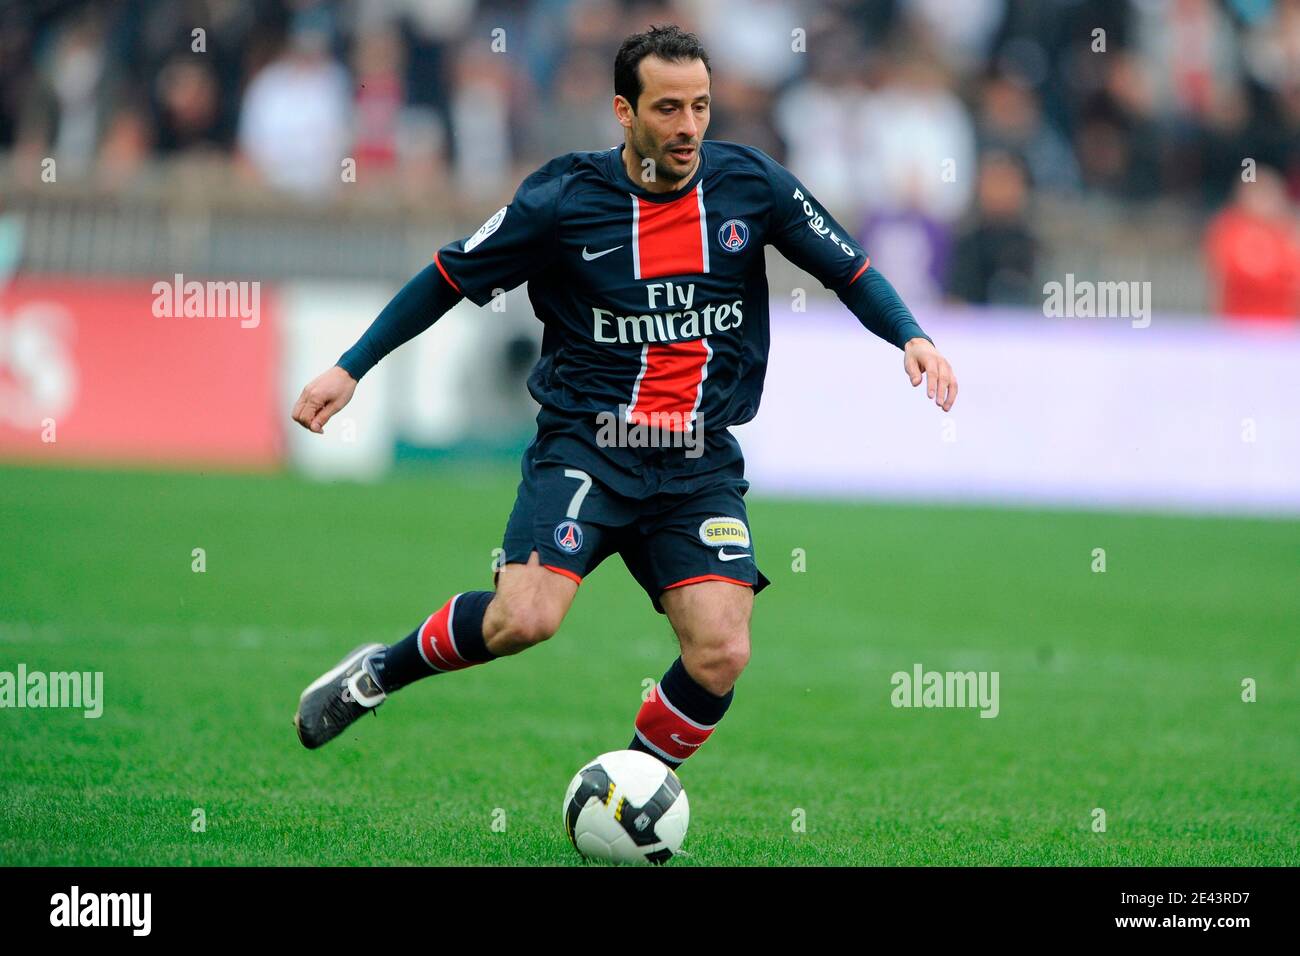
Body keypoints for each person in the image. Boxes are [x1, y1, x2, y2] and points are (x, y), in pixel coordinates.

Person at [290, 25, 958, 771]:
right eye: (669, 108)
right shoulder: (563, 200)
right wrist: (351, 368)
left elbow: (849, 268)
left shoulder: (751, 185)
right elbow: (449, 277)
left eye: (701, 106)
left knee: (721, 652)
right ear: (624, 110)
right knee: (525, 619)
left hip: (696, 461)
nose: (689, 127)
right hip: (588, 446)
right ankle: (379, 672)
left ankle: (631, 788)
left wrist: (911, 335)